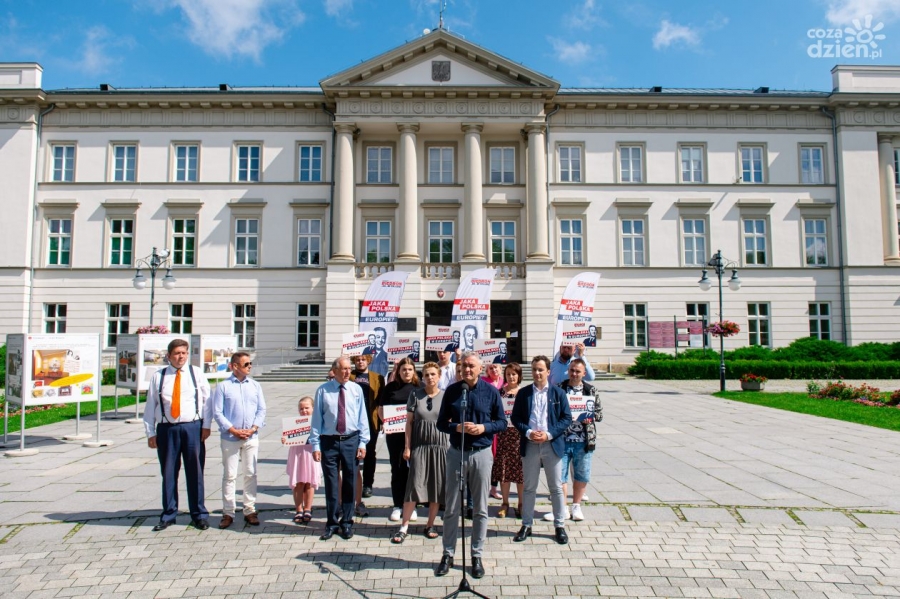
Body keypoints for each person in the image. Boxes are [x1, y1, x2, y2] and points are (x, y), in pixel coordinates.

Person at [434, 351, 507, 579]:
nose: (467, 369)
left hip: (481, 453)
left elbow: (502, 422)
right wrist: (456, 427)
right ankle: (448, 554)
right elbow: (441, 423)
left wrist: (484, 428)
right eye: (464, 365)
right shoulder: (453, 391)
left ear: (480, 368)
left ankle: (476, 555)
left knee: (480, 508)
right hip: (457, 452)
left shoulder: (491, 391)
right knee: (452, 507)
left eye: (471, 366)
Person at [143, 338, 212, 531]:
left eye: (184, 353)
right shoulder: (159, 376)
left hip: (192, 427)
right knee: (168, 472)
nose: (181, 357)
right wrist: (150, 432)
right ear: (169, 356)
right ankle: (168, 514)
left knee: (195, 472)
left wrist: (206, 426)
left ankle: (199, 514)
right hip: (167, 429)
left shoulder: (196, 373)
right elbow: (151, 405)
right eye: (177, 353)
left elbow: (207, 401)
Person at [511, 355, 572, 545]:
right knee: (529, 487)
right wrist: (528, 432)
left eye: (540, 370)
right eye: (534, 369)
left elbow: (566, 418)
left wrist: (549, 434)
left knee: (556, 487)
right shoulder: (524, 393)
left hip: (551, 444)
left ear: (548, 371)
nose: (537, 373)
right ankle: (526, 524)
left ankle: (559, 525)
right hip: (530, 444)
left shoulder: (558, 393)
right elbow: (515, 418)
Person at [310, 356, 370, 541]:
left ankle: (347, 522)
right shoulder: (323, 390)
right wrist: (315, 444)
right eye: (343, 369)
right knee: (331, 483)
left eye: (349, 369)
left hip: (351, 440)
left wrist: (363, 442)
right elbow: (317, 419)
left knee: (350, 482)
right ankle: (332, 522)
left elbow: (362, 417)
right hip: (329, 441)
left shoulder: (356, 389)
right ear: (334, 371)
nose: (347, 372)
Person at [391, 362, 449, 543]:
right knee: (414, 486)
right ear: (422, 377)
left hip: (441, 447)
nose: (430, 377)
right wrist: (407, 447)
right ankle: (404, 526)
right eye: (426, 375)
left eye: (433, 374)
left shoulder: (446, 396)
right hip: (420, 446)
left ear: (439, 376)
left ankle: (430, 524)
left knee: (436, 487)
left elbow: (450, 422)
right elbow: (409, 423)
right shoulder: (415, 395)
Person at [212, 352, 267, 529]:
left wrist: (253, 428)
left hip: (251, 436)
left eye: (250, 364)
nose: (249, 367)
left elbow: (261, 410)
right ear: (235, 366)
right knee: (230, 475)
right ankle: (228, 512)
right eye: (246, 364)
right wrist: (232, 430)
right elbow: (217, 412)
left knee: (250, 472)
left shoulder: (255, 385)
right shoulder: (223, 386)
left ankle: (250, 510)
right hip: (230, 437)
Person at [552, 358, 602, 523]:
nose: (574, 374)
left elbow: (599, 414)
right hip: (562, 439)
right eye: (572, 370)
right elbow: (552, 411)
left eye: (577, 371)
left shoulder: (591, 390)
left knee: (582, 474)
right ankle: (563, 508)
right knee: (560, 475)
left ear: (584, 373)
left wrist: (590, 417)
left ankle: (576, 506)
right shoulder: (559, 388)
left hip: (583, 440)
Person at [377, 357, 419, 523]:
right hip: (395, 435)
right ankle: (397, 505)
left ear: (414, 371)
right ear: (398, 371)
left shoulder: (420, 387)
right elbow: (381, 409)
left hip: (415, 434)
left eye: (409, 369)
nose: (406, 372)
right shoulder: (390, 388)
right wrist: (387, 422)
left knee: (414, 470)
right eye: (403, 370)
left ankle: (412, 505)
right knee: (397, 468)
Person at [491, 362, 525, 519]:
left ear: (519, 376)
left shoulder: (524, 393)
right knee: (504, 470)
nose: (511, 377)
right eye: (508, 374)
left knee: (520, 472)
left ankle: (521, 503)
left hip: (520, 436)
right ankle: (505, 503)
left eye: (514, 374)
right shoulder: (499, 393)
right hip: (503, 436)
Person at [351, 354, 383, 506]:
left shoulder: (377, 378)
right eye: (357, 360)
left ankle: (367, 484)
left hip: (371, 420)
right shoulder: (349, 376)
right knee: (352, 453)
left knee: (370, 453)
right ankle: (352, 483)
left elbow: (382, 400)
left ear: (368, 361)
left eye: (363, 359)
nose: (360, 362)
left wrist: (383, 420)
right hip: (353, 421)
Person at [285, 396, 321, 524]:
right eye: (301, 409)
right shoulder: (294, 423)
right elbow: (287, 437)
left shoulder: (317, 422)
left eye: (307, 408)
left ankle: (308, 508)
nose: (304, 411)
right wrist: (285, 439)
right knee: (298, 482)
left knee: (310, 482)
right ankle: (298, 509)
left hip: (311, 453)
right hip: (298, 453)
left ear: (313, 408)